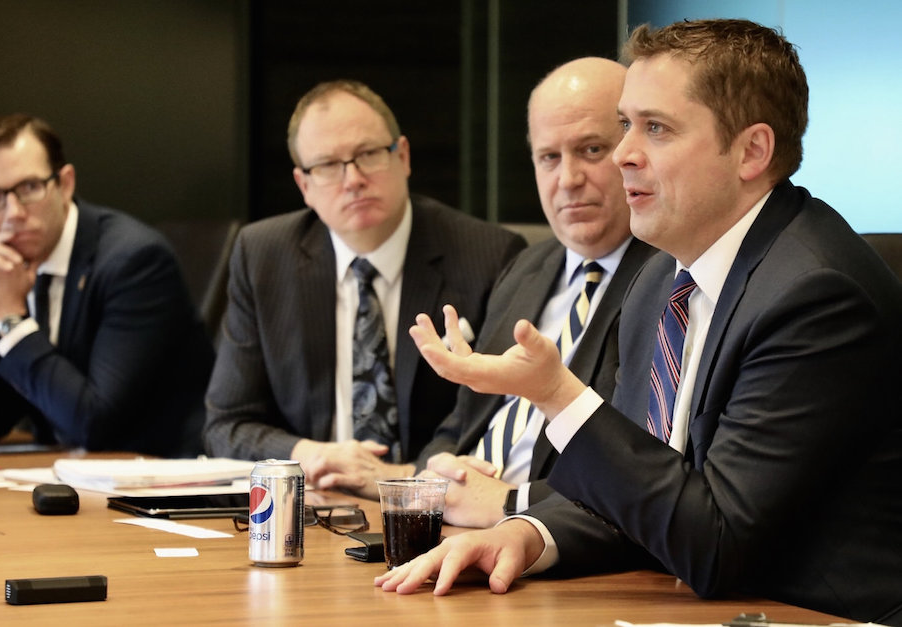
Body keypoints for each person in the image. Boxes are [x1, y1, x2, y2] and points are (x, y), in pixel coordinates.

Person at [376, 19, 902, 626]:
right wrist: (527, 536)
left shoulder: (815, 296)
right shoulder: (660, 281)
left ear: (752, 151)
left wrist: (558, 395)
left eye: (656, 128)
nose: (625, 152)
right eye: (627, 125)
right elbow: (644, 489)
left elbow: (715, 542)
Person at [203, 80, 526, 490]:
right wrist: (309, 455)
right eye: (327, 166)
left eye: (368, 155)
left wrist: (400, 479)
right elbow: (226, 423)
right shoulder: (263, 256)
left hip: (432, 508)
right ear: (305, 186)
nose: (352, 179)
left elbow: (492, 414)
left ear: (403, 156)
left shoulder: (487, 256)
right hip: (314, 503)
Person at [411, 58, 656, 527]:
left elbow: (643, 466)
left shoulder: (668, 280)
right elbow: (461, 423)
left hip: (558, 548)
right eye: (549, 157)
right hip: (452, 528)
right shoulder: (525, 267)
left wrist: (512, 503)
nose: (567, 179)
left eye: (591, 149)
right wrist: (439, 471)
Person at [0, 114, 214, 457]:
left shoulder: (134, 261)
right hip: (72, 477)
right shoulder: (9, 271)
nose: (12, 213)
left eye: (29, 188)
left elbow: (95, 424)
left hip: (159, 482)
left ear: (65, 184)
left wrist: (10, 322)